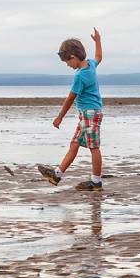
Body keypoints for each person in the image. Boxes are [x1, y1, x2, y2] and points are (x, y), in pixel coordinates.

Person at [39, 28, 106, 191]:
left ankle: (96, 182)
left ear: (73, 57)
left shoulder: (80, 76)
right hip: (88, 114)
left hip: (90, 114)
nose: (68, 66)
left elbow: (70, 98)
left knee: (94, 147)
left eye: (67, 62)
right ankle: (57, 175)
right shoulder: (90, 64)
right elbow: (99, 57)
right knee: (74, 144)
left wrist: (60, 116)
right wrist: (98, 41)